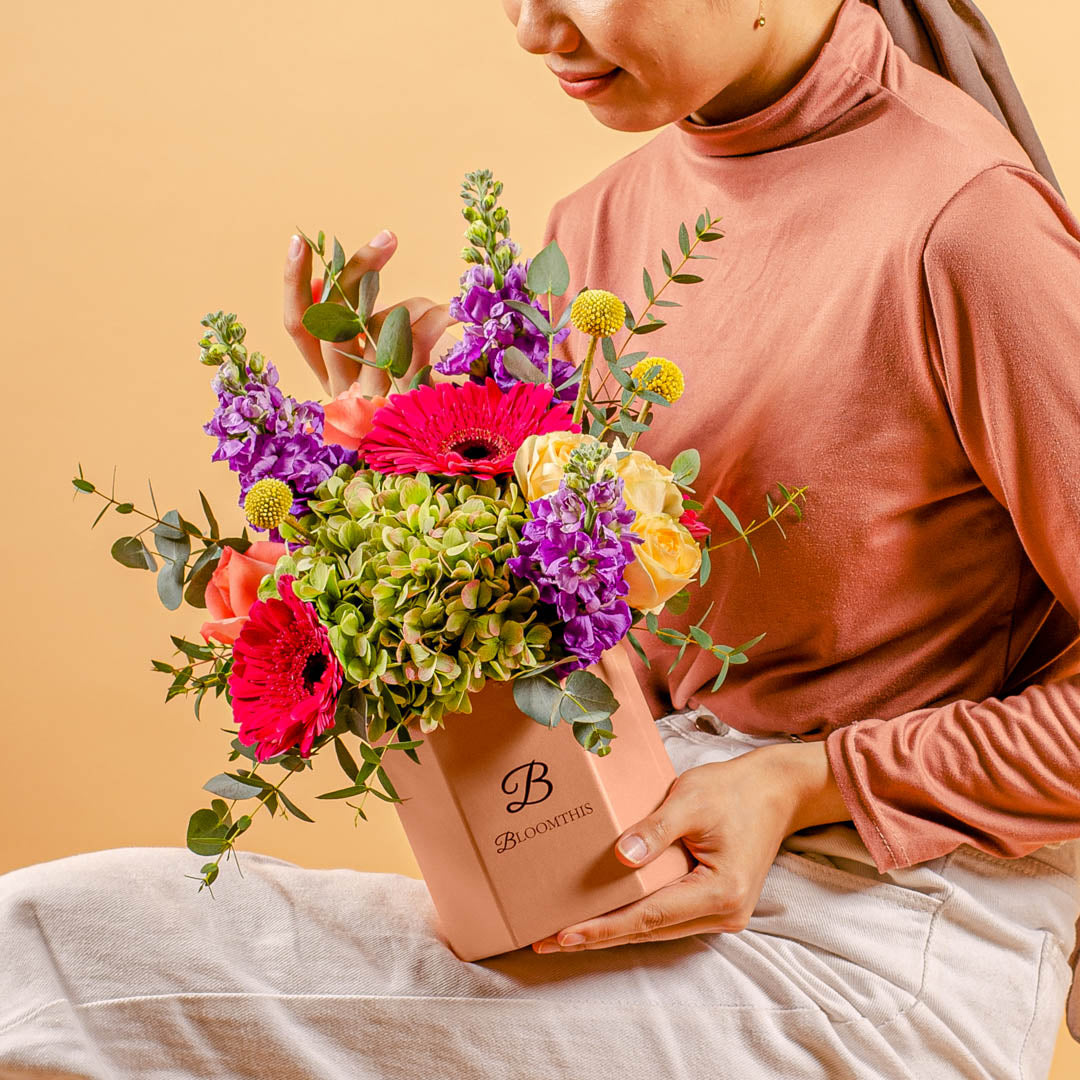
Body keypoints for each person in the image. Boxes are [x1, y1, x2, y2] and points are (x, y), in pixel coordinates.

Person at [3, 0, 1079, 1076]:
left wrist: (801, 783)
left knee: (50, 962)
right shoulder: (600, 230)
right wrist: (403, 458)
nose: (530, 28)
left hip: (885, 942)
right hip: (656, 880)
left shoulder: (969, 226)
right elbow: (611, 646)